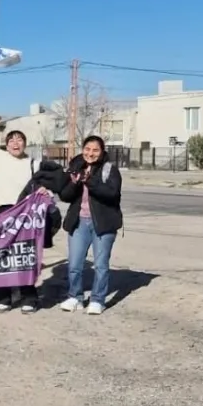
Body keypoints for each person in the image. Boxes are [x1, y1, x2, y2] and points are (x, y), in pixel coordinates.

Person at [0, 117, 42, 313]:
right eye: (11, 139)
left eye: (19, 139)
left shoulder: (32, 163)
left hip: (25, 214)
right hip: (1, 212)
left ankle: (29, 296)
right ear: (5, 143)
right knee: (1, 255)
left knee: (23, 255)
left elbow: (47, 182)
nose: (15, 143)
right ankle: (3, 296)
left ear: (25, 143)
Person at [59, 135, 123, 316]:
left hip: (102, 224)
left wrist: (89, 181)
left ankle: (97, 300)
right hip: (79, 221)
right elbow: (65, 195)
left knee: (101, 264)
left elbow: (111, 194)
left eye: (95, 150)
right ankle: (75, 297)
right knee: (74, 264)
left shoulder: (110, 169)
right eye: (87, 149)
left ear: (102, 152)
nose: (90, 153)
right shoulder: (75, 167)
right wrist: (74, 182)